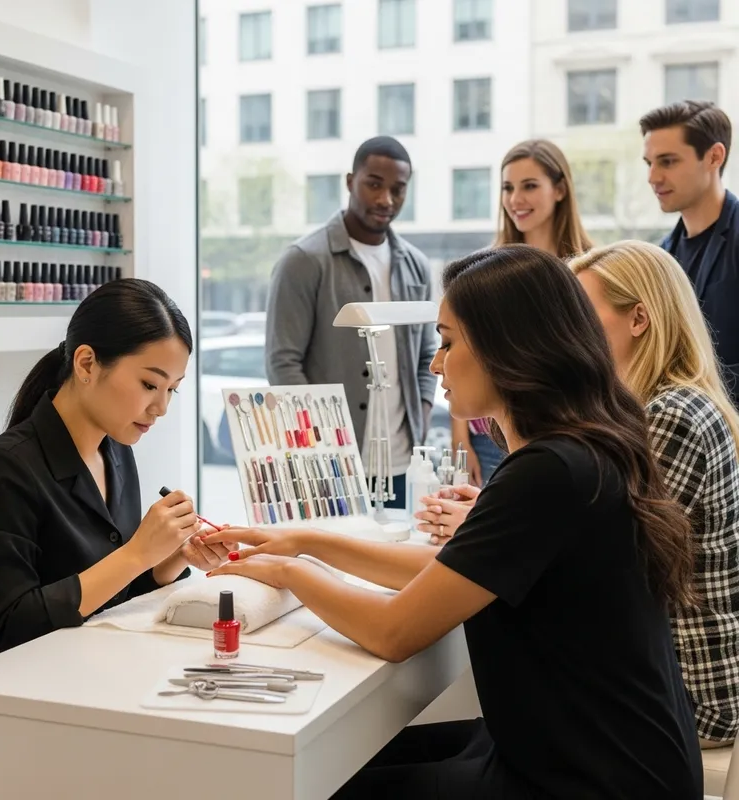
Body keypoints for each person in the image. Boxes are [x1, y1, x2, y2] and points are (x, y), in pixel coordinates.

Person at [206, 246, 703, 799]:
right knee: (342, 763)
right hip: (620, 754)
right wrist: (304, 540)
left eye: (447, 342)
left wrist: (290, 573)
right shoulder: (582, 448)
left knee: (320, 783)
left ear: (507, 347)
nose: (435, 364)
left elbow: (394, 632)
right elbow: (454, 566)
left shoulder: (550, 471)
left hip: (594, 778)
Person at [0, 279, 233, 670]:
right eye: (150, 384)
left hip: (93, 672)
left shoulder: (116, 453)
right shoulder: (5, 470)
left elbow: (114, 594)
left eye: (173, 390)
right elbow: (6, 628)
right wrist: (136, 554)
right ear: (86, 363)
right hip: (10, 695)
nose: (161, 408)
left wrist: (165, 560)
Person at [572, 240, 739, 749]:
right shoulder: (655, 407)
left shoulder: (673, 415)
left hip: (694, 694)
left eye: (582, 315)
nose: (570, 334)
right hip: (668, 674)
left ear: (638, 319)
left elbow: (613, 561)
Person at [265, 136, 436, 508]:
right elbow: (283, 363)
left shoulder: (416, 265)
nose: (385, 200)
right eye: (374, 184)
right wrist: (323, 441)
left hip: (401, 463)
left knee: (391, 563)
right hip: (329, 464)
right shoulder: (304, 260)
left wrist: (419, 413)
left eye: (398, 189)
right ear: (349, 181)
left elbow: (427, 355)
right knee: (326, 565)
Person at [452, 139, 594, 486]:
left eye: (529, 186)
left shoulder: (589, 268)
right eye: (507, 187)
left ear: (560, 189)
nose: (516, 199)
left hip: (553, 431)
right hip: (486, 431)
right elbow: (460, 346)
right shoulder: (485, 268)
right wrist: (461, 435)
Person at [640, 100, 739, 406]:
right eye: (649, 163)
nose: (653, 177)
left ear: (714, 156)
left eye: (667, 162)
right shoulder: (659, 256)